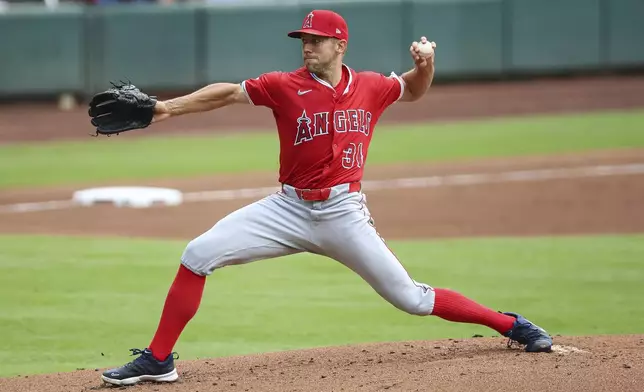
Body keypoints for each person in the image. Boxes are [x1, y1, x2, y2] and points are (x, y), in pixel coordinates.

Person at [99, 9, 553, 386]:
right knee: (197, 254)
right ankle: (160, 359)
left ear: (340, 46)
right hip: (287, 208)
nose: (307, 46)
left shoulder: (372, 87)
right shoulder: (283, 85)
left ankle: (510, 325)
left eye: (316, 40)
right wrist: (166, 108)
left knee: (411, 299)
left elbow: (413, 89)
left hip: (343, 214)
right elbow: (228, 93)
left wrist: (426, 63)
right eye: (303, 39)